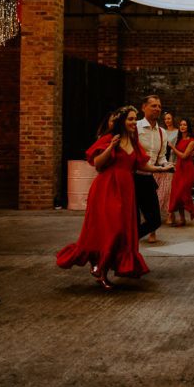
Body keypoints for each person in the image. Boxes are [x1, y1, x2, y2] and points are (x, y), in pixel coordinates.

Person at [57, 106, 164, 290]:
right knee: (111, 230)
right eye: (130, 119)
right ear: (122, 121)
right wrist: (111, 147)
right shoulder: (108, 139)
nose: (133, 122)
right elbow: (97, 164)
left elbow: (141, 165)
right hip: (107, 188)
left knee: (122, 231)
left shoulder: (133, 140)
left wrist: (161, 169)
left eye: (134, 119)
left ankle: (101, 267)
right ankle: (101, 271)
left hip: (126, 190)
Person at [135, 95, 174, 243]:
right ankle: (128, 247)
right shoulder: (135, 127)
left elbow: (161, 157)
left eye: (159, 106)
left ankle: (128, 239)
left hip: (147, 178)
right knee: (133, 218)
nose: (157, 108)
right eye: (153, 106)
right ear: (143, 107)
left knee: (155, 220)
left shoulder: (162, 132)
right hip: (132, 177)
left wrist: (166, 165)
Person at [168, 117, 194, 226]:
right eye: (181, 125)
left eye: (185, 125)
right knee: (177, 193)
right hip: (179, 168)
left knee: (183, 192)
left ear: (188, 127)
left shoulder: (192, 141)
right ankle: (182, 219)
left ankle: (191, 209)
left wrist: (172, 148)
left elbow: (184, 156)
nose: (182, 127)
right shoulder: (179, 139)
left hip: (187, 169)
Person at [155, 111, 178, 224]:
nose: (167, 121)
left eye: (169, 118)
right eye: (165, 119)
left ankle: (170, 214)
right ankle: (160, 213)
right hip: (161, 162)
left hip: (172, 161)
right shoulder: (161, 132)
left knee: (169, 190)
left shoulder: (177, 132)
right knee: (160, 190)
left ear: (173, 119)